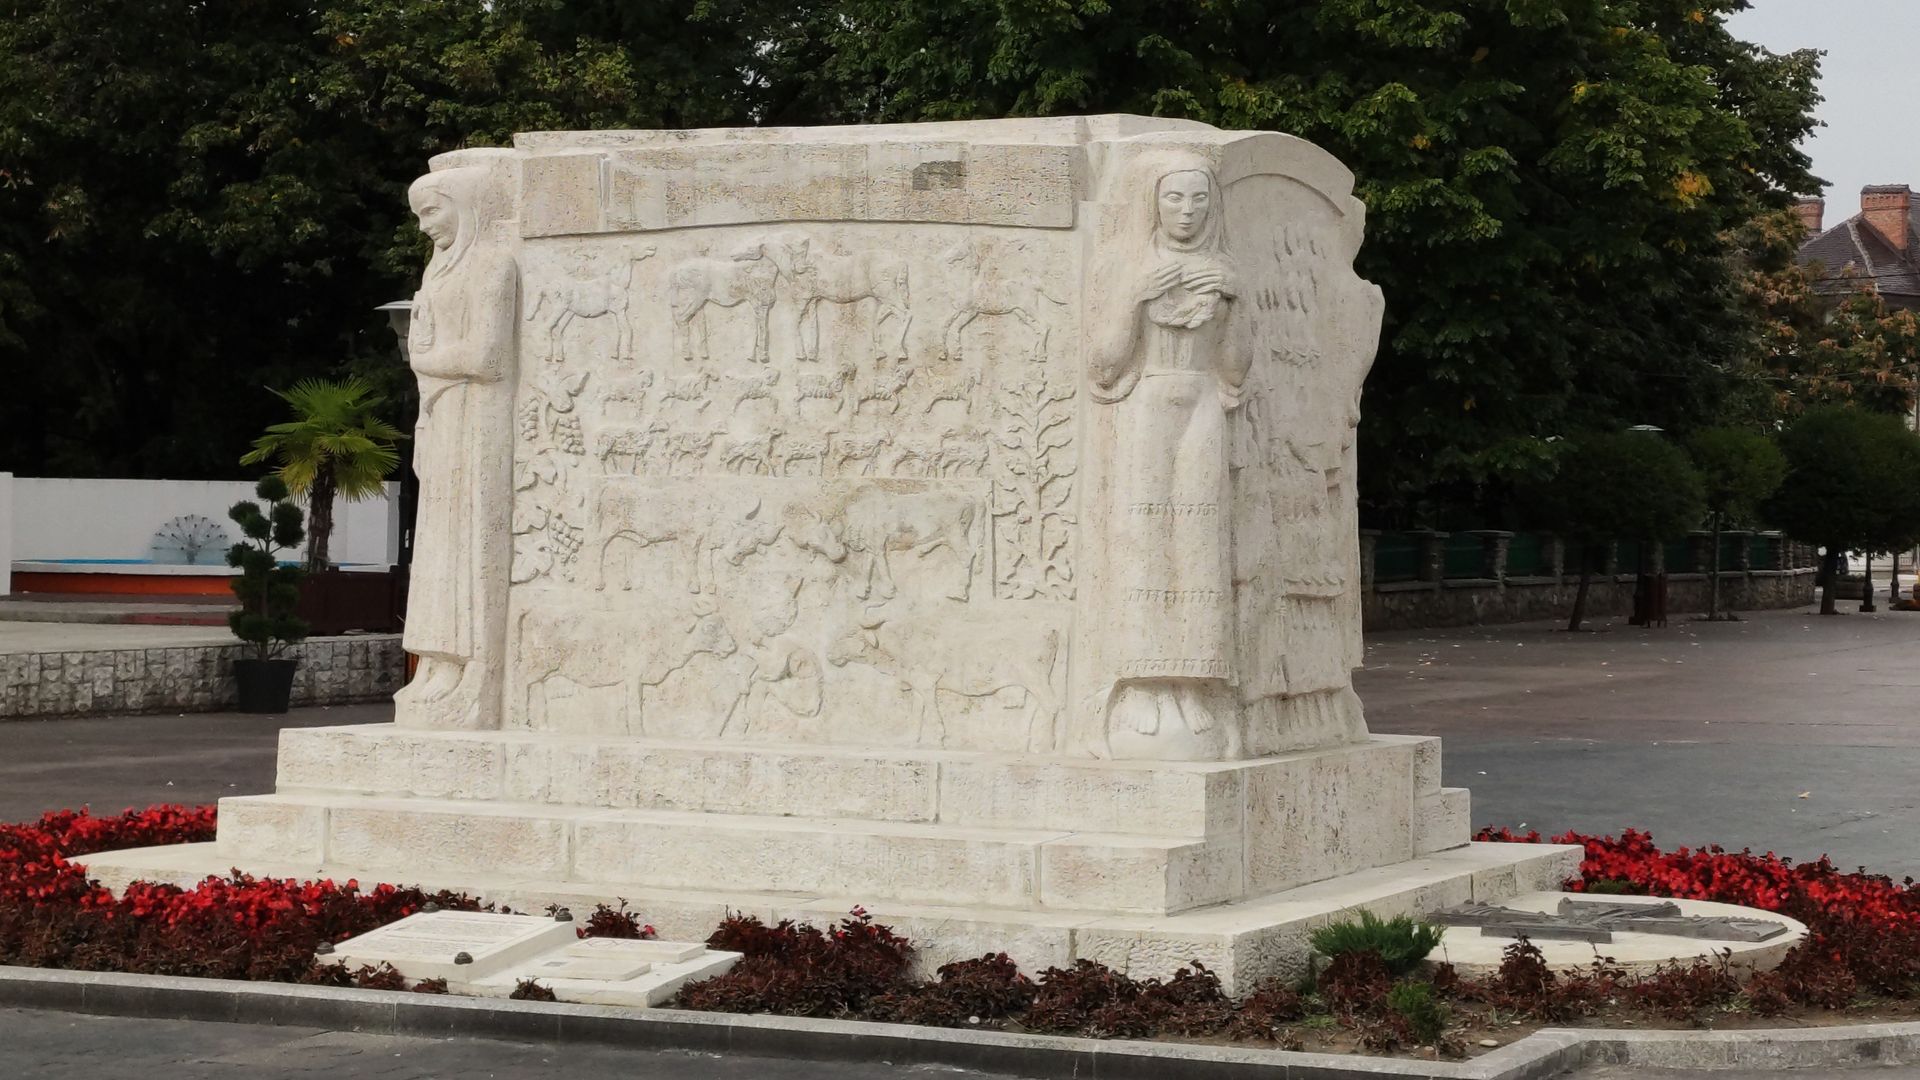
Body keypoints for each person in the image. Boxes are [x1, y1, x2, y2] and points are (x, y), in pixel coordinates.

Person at [1083, 151, 1250, 759]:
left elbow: (1235, 370)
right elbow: (1103, 365)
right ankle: (1142, 690)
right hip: (1148, 405)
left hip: (1203, 404)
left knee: (1200, 543)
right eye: (1174, 198)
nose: (1186, 212)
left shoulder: (1223, 270)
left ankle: (1197, 687)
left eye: (1198, 199)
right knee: (1143, 540)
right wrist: (1133, 298)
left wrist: (1235, 302)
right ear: (1154, 203)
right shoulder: (1128, 268)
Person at [393, 156, 518, 730]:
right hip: (442, 419)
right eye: (417, 215)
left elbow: (489, 358)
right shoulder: (434, 275)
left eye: (432, 211)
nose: (424, 226)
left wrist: (427, 360)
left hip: (479, 424)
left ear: (464, 208)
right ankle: (438, 661)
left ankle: (474, 669)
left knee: (471, 546)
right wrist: (432, 365)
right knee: (439, 546)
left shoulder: (493, 267)